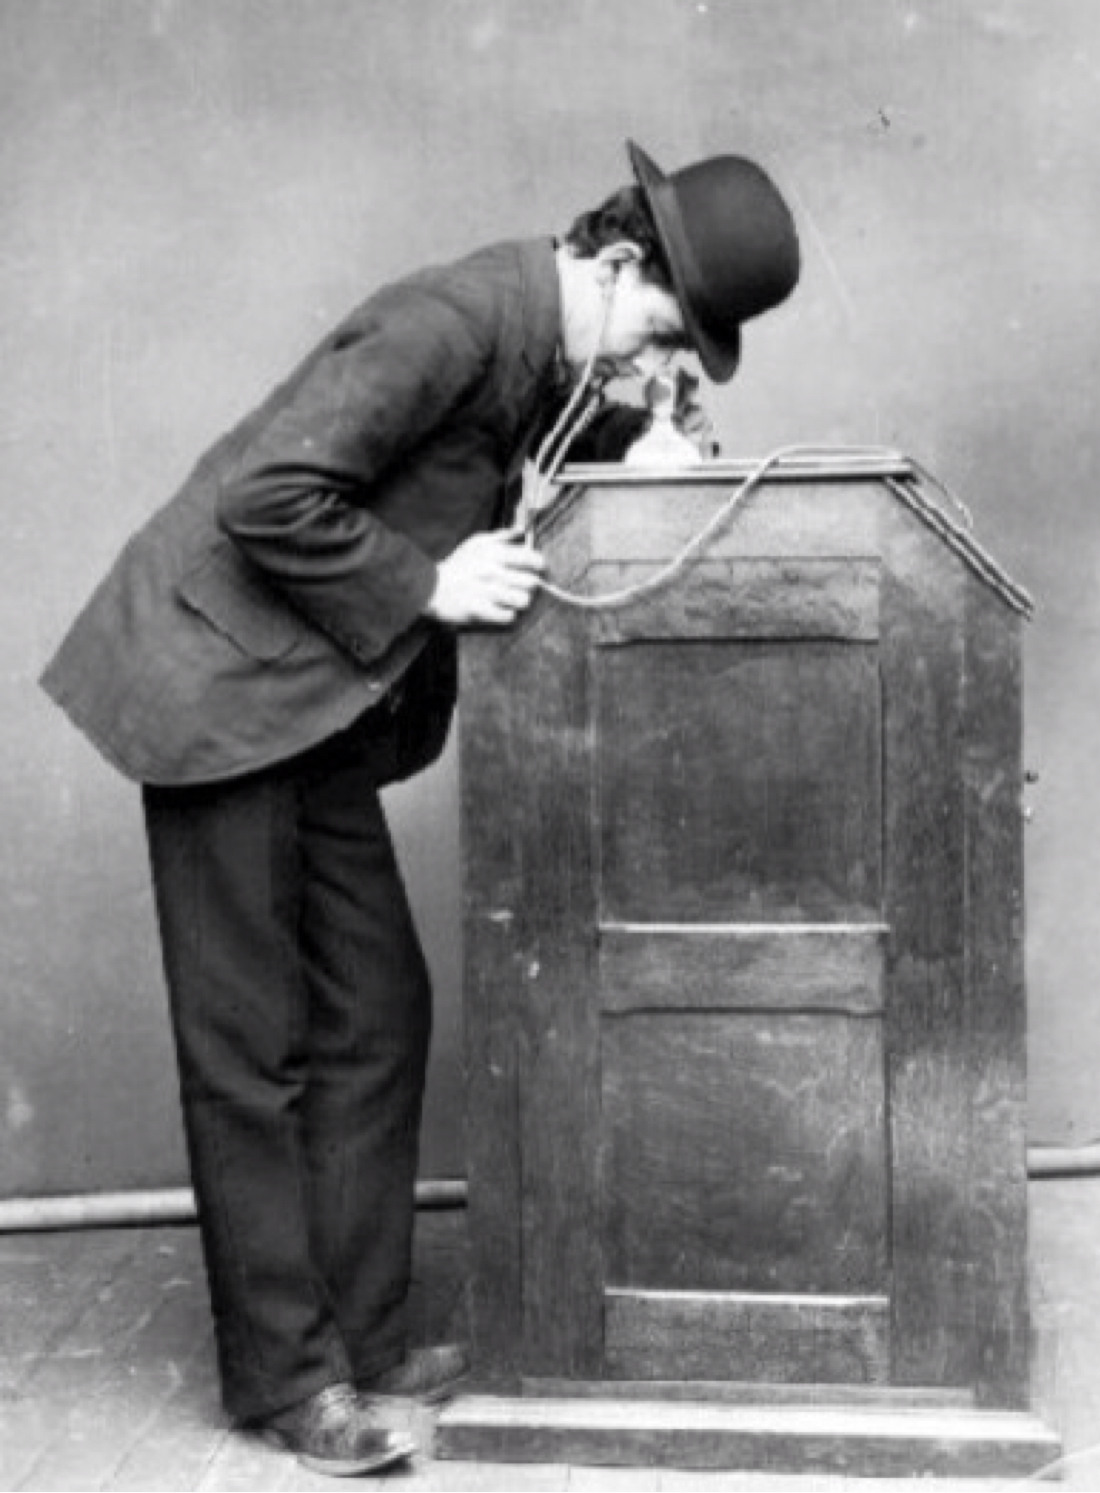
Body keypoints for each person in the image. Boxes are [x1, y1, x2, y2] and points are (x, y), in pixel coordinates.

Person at [40, 139, 799, 1477]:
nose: (648, 360)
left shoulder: (541, 342)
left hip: (307, 701)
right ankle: (287, 1381)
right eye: (659, 334)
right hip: (218, 695)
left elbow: (500, 447)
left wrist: (643, 441)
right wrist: (429, 586)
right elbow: (268, 496)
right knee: (251, 1049)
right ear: (618, 262)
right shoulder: (453, 319)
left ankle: (365, 1335)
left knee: (378, 1009)